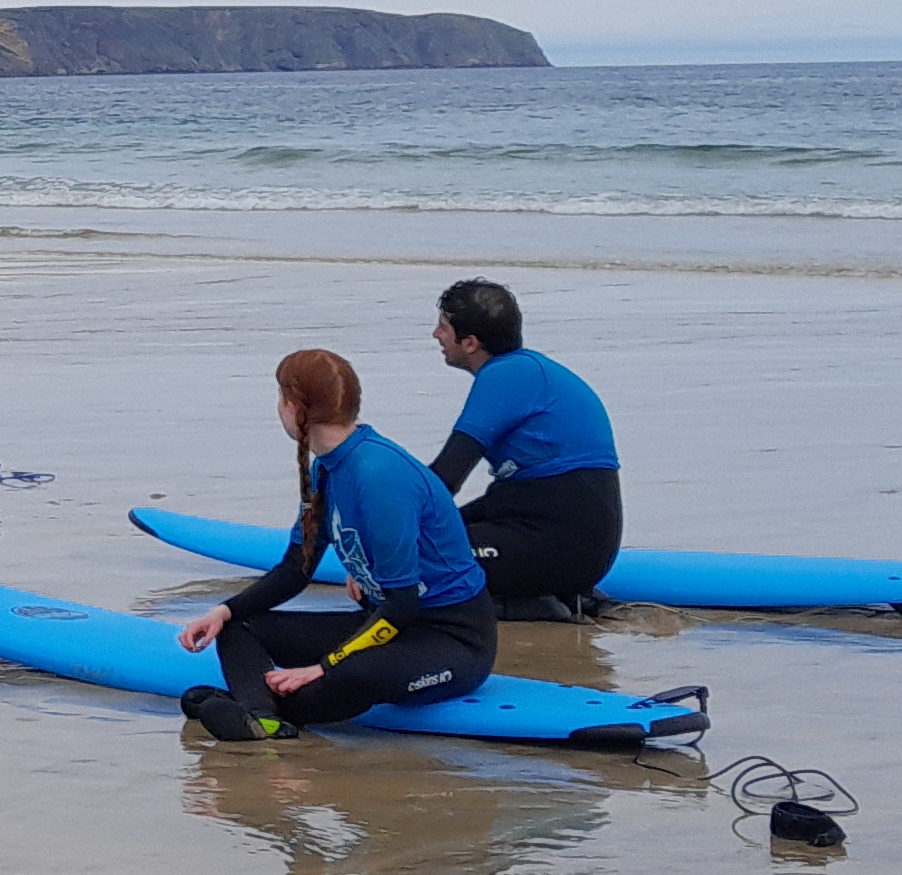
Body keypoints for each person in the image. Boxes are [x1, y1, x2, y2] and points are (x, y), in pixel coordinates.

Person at [176, 348, 497, 741]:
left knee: (354, 674)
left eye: (279, 398)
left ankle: (255, 707)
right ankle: (262, 716)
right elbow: (296, 570)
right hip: (385, 625)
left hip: (452, 638)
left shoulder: (379, 476)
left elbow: (403, 605)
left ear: (293, 407)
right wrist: (223, 611)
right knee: (240, 627)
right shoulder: (326, 468)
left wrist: (326, 666)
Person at [423, 277, 624, 614]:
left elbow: (446, 477)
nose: (436, 335)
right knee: (431, 537)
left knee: (415, 559)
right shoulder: (529, 370)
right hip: (568, 534)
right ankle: (556, 594)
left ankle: (531, 606)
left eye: (443, 327)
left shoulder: (504, 377)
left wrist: (384, 532)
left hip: (562, 541)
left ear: (470, 343)